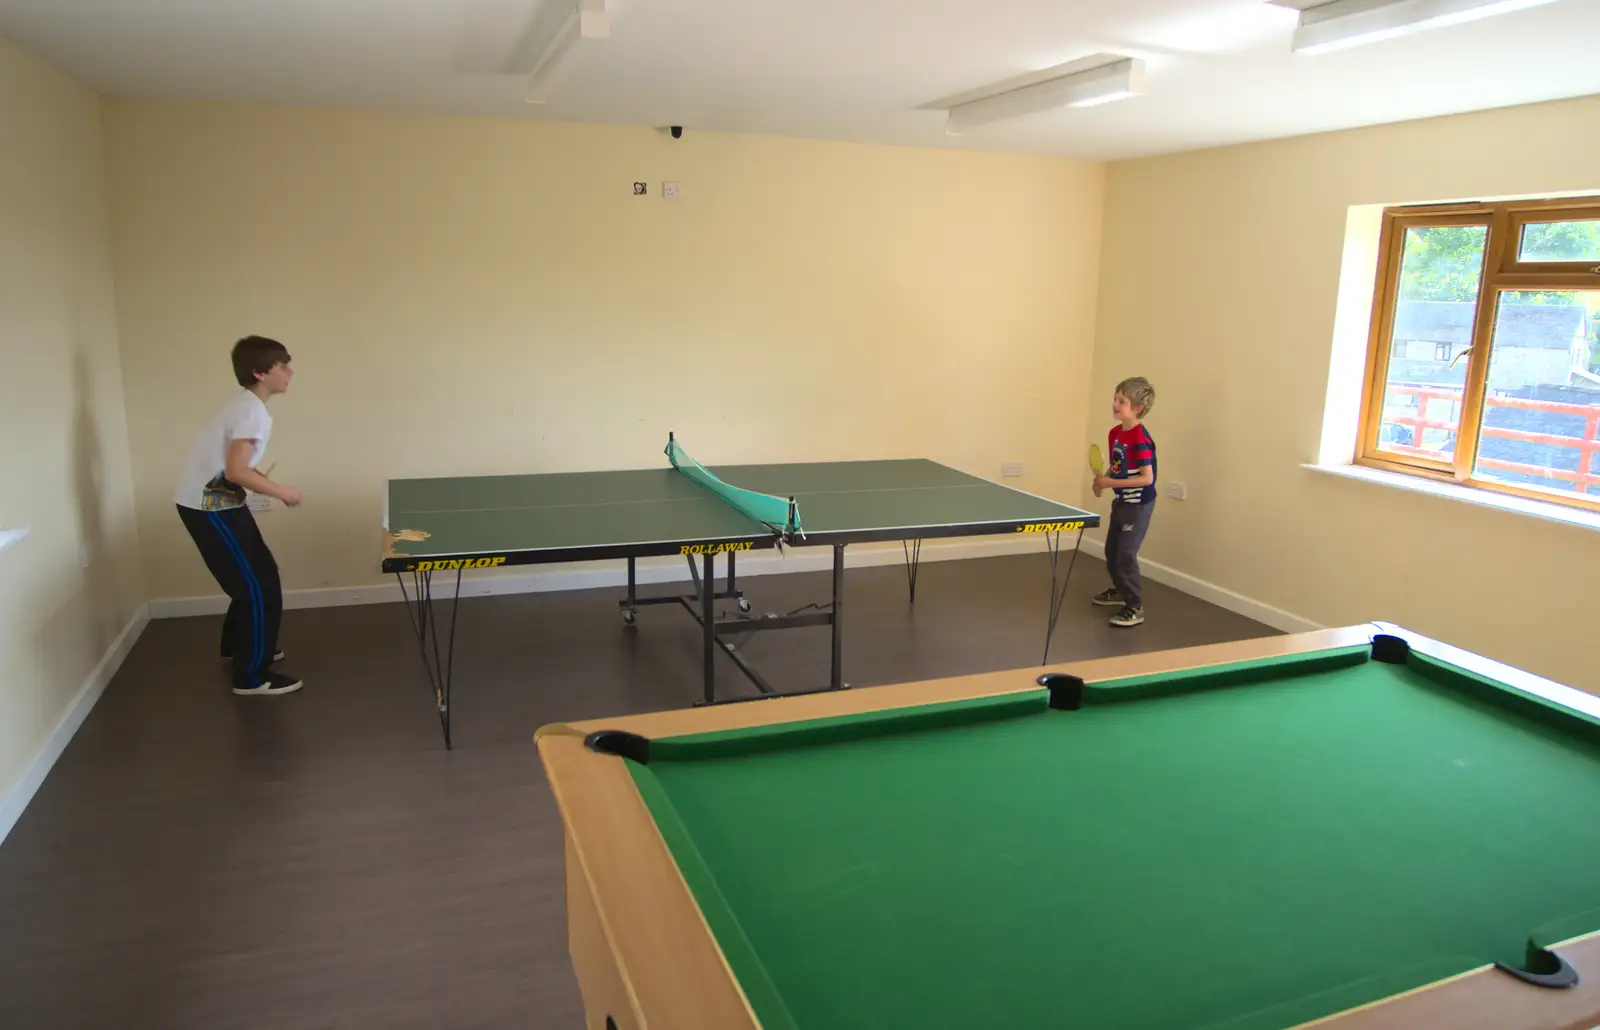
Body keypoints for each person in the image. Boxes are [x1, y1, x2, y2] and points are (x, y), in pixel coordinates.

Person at [174, 336, 305, 695]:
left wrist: (261, 478)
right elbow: (235, 471)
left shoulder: (245, 405)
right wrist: (283, 492)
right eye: (282, 365)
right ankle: (252, 676)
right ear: (260, 372)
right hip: (211, 505)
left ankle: (241, 646)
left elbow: (233, 466)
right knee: (258, 586)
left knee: (256, 577)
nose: (290, 372)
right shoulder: (251, 411)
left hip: (214, 501)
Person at [1091, 377, 1157, 628]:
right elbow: (1119, 466)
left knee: (1126, 554)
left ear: (1137, 408)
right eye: (1115, 399)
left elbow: (1146, 478)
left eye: (1122, 401)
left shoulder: (1140, 438)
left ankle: (1135, 605)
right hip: (1121, 502)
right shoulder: (1115, 433)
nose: (1115, 404)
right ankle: (1120, 589)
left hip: (1138, 505)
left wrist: (1110, 484)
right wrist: (1104, 479)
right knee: (1111, 552)